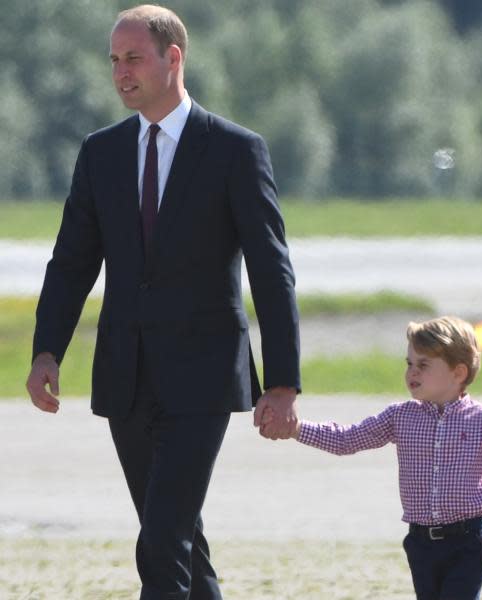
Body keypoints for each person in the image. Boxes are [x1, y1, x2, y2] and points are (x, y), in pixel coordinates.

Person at [24, 5, 301, 599]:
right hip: (126, 375)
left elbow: (272, 269)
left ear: (173, 58)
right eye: (114, 61)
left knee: (161, 540)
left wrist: (283, 382)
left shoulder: (233, 149)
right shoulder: (101, 153)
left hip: (203, 376)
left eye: (133, 59)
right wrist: (47, 349)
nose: (121, 73)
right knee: (174, 536)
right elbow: (72, 261)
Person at [266, 316, 482, 600]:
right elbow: (347, 439)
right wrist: (297, 429)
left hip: (467, 541)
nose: (412, 373)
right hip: (420, 543)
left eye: (423, 365)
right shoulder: (400, 416)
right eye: (410, 364)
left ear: (458, 373)